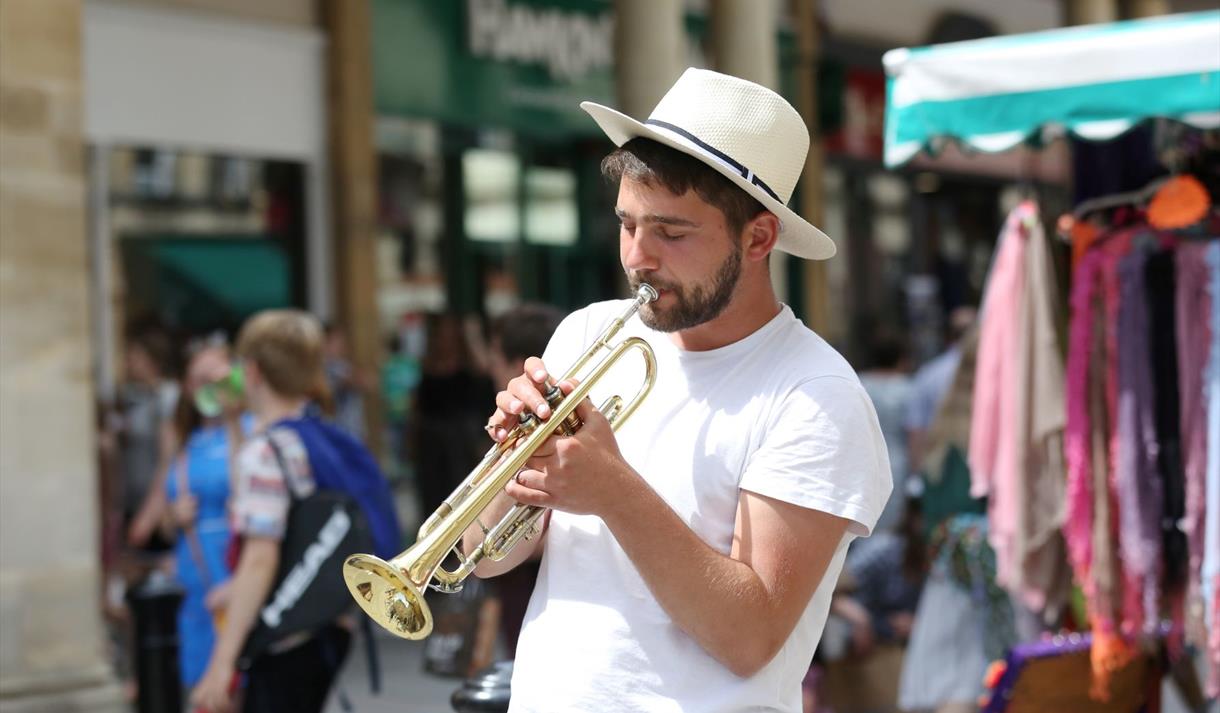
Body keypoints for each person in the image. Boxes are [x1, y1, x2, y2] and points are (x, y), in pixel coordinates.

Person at [469, 68, 892, 712]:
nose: (637, 256)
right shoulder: (587, 332)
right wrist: (512, 467)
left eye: (671, 232)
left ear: (758, 237)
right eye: (627, 224)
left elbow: (748, 637)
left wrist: (611, 489)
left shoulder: (817, 395)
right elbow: (484, 557)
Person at [191, 310, 352, 713]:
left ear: (253, 371)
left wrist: (222, 663)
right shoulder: (317, 435)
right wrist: (233, 426)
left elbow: (260, 557)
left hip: (282, 639)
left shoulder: (266, 451)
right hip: (324, 625)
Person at [128, 338, 250, 690]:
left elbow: (247, 484)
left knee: (235, 679)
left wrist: (232, 419)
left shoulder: (248, 426)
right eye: (199, 380)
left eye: (218, 379)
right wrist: (172, 515)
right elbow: (165, 516)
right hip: (191, 569)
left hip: (233, 565)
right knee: (196, 681)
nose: (210, 389)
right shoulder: (180, 435)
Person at [484, 303, 565, 658]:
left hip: (545, 600)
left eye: (495, 357)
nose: (488, 367)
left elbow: (542, 538)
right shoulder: (509, 424)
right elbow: (478, 548)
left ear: (521, 367)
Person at [857, 328, 914, 534]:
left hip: (862, 461)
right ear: (901, 359)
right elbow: (914, 433)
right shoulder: (908, 389)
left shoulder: (858, 383)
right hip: (897, 463)